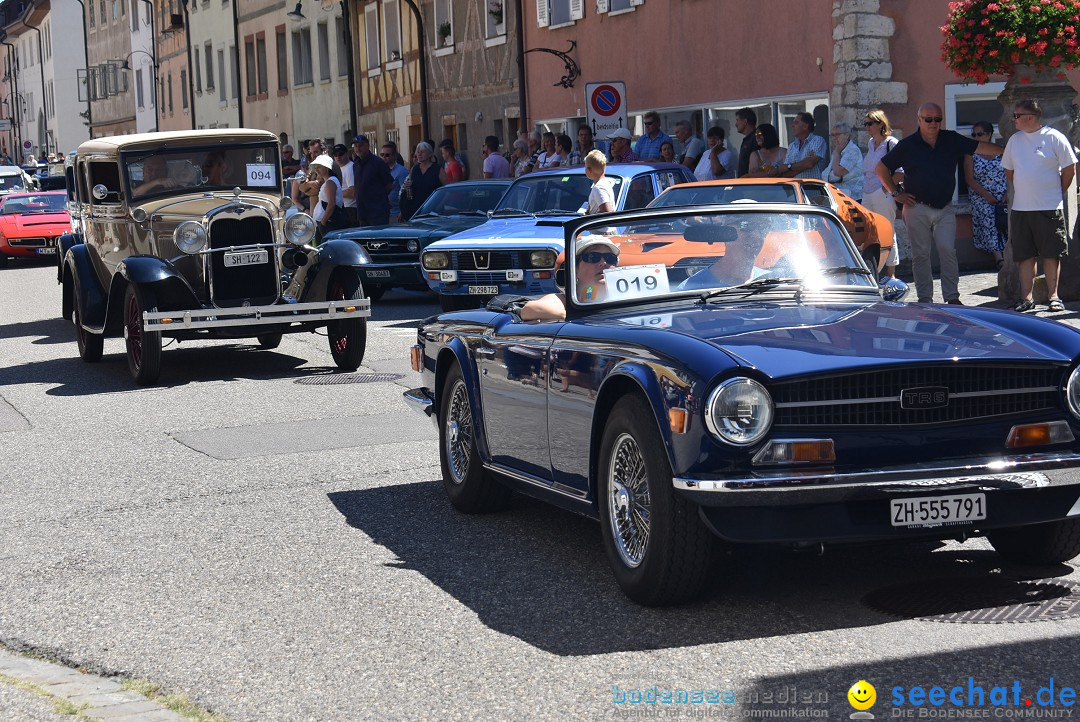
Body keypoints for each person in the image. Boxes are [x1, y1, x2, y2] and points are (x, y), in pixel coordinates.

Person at [876, 102, 1003, 304]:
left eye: (937, 119)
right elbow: (881, 168)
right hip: (916, 207)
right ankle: (925, 298)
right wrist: (895, 193)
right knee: (921, 255)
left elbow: (979, 147)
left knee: (948, 250)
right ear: (919, 120)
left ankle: (952, 297)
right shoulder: (908, 145)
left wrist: (1008, 150)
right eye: (928, 119)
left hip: (944, 207)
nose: (933, 123)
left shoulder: (950, 139)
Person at [1003, 98, 1078, 313]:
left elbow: (1070, 168)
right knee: (1025, 255)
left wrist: (1055, 191)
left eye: (1016, 115)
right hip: (1021, 208)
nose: (1013, 119)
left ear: (1030, 117)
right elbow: (1009, 171)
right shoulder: (1014, 141)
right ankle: (1026, 298)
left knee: (1051, 253)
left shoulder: (1054, 138)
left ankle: (1054, 297)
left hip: (1049, 206)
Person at [519, 237, 621, 321]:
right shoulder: (566, 300)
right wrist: (578, 318)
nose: (603, 263)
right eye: (592, 257)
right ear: (574, 270)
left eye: (609, 258)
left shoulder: (625, 297)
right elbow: (529, 310)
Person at [963, 121, 1008, 273]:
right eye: (973, 134)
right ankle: (999, 259)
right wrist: (987, 196)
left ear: (989, 135)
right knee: (989, 216)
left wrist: (1008, 194)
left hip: (1003, 195)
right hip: (981, 195)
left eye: (980, 134)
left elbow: (1011, 174)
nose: (976, 137)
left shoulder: (1001, 152)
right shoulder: (971, 154)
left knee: (1008, 221)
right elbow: (970, 179)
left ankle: (1010, 254)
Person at [861, 109, 901, 279]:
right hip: (867, 192)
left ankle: (891, 275)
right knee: (869, 234)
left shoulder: (891, 143)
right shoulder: (871, 143)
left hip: (882, 193)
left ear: (880, 124)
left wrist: (885, 188)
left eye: (870, 123)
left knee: (887, 232)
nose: (867, 127)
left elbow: (900, 172)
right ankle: (872, 272)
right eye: (866, 124)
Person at [352, 134, 393, 226]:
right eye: (356, 146)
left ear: (367, 146)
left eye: (361, 145)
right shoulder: (356, 164)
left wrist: (378, 197)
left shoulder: (378, 163)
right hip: (362, 212)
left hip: (377, 212)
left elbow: (389, 185)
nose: (358, 148)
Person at [399, 141, 442, 222]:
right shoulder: (414, 169)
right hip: (416, 209)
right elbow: (409, 188)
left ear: (429, 153)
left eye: (422, 152)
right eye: (418, 152)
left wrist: (439, 204)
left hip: (433, 208)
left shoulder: (438, 169)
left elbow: (445, 189)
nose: (419, 154)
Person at [778, 112, 826, 179]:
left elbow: (809, 163)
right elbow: (785, 173)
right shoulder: (792, 146)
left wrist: (789, 167)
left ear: (805, 126)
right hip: (795, 187)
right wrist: (803, 165)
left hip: (812, 187)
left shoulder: (817, 140)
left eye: (796, 123)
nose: (792, 125)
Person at [823, 122, 864, 200]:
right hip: (840, 195)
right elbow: (826, 174)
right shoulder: (839, 151)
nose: (834, 138)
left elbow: (838, 172)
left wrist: (837, 152)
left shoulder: (852, 150)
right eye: (832, 135)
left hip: (853, 197)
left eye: (837, 134)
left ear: (847, 135)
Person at [309, 154, 346, 238]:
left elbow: (331, 204)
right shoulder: (328, 181)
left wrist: (323, 222)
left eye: (319, 166)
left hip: (329, 223)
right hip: (326, 223)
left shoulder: (330, 182)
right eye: (315, 167)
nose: (317, 169)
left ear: (326, 167)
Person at [382, 142, 409, 223]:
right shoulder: (381, 169)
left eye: (387, 155)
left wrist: (402, 211)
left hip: (396, 213)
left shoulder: (401, 171)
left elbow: (405, 192)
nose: (384, 157)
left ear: (394, 156)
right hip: (383, 212)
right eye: (382, 154)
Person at [332, 144, 358, 226]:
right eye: (335, 155)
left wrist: (333, 194)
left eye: (340, 154)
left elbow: (352, 192)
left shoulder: (350, 168)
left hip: (351, 209)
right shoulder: (339, 168)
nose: (338, 157)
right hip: (343, 208)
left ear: (347, 154)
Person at [584, 149, 615, 215]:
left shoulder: (599, 188)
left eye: (585, 167)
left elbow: (608, 213)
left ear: (589, 170)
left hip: (599, 225)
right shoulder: (606, 184)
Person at [735, 107, 758, 178]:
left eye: (737, 120)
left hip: (751, 184)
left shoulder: (756, 138)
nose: (736, 124)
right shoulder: (748, 139)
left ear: (745, 122)